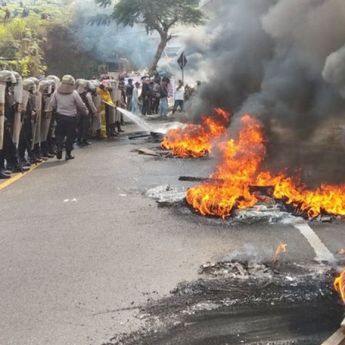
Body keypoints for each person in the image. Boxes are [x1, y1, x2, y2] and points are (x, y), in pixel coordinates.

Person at [49, 75, 88, 160]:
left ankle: (59, 148)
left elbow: (52, 104)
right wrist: (85, 112)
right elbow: (81, 105)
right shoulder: (74, 93)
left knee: (59, 134)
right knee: (70, 136)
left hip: (60, 117)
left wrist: (57, 109)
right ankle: (68, 154)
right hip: (71, 118)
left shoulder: (56, 92)